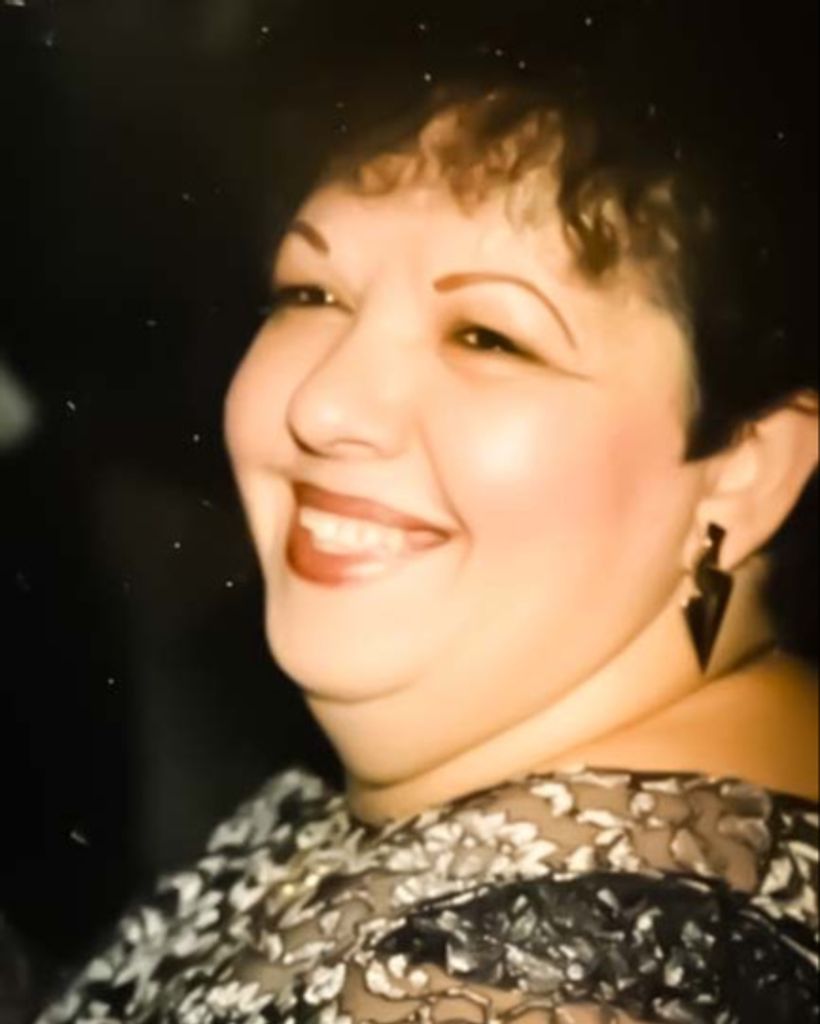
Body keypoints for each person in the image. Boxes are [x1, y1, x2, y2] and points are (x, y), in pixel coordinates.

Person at [34, 5, 818, 1022]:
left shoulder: (508, 989)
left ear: (744, 470)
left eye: (488, 336)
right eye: (310, 293)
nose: (323, 405)